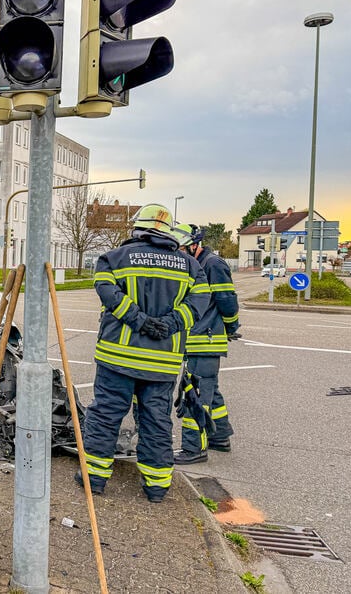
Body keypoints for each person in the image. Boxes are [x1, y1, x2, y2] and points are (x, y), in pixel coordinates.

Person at [78, 204, 210, 503]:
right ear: (168, 231)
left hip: (117, 357)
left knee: (106, 416)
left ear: (137, 227)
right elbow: (198, 305)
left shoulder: (114, 258)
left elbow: (108, 294)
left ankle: (94, 479)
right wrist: (168, 324)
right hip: (162, 362)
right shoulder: (191, 267)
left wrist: (139, 321)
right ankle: (156, 486)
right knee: (156, 420)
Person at [174, 224, 240, 464]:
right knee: (210, 390)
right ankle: (219, 436)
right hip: (197, 339)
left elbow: (227, 301)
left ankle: (194, 449)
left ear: (194, 245)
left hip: (206, 339)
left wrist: (232, 327)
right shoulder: (191, 263)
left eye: (180, 247)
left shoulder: (213, 264)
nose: (177, 252)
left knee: (195, 393)